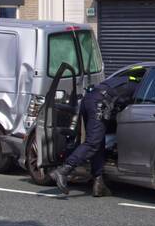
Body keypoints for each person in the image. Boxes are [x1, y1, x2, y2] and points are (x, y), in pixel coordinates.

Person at [49, 67, 144, 197]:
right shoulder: (140, 86)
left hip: (89, 100)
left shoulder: (122, 79)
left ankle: (98, 183)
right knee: (93, 143)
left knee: (98, 143)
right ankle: (64, 170)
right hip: (99, 104)